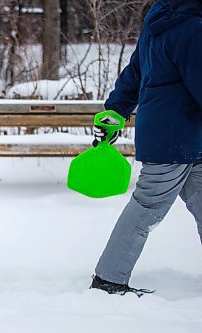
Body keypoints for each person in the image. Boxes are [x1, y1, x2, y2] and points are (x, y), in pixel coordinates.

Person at [90, 0, 202, 296]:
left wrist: (116, 108)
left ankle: (108, 279)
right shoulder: (192, 27)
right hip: (175, 137)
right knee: (147, 207)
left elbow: (135, 71)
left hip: (181, 135)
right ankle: (108, 280)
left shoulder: (161, 19)